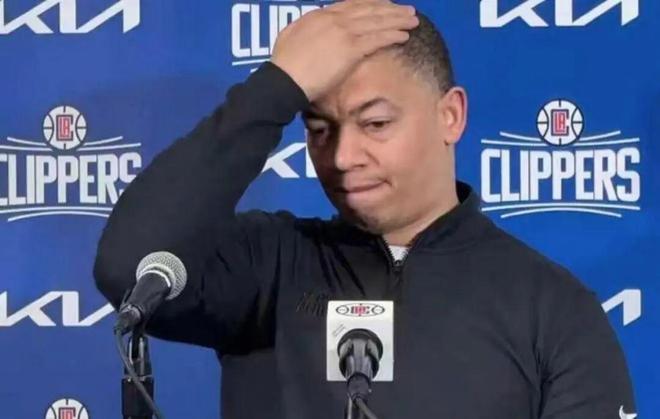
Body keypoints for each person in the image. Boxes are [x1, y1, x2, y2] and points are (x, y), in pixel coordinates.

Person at [93, 0, 636, 418]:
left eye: (375, 124)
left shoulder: (553, 309)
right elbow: (128, 266)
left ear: (450, 116)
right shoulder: (267, 266)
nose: (343, 157)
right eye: (319, 130)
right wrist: (275, 88)